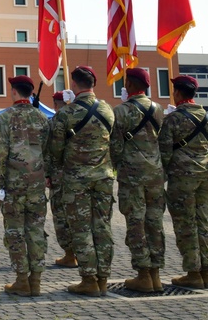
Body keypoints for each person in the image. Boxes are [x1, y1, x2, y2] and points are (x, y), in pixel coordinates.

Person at [47, 65, 115, 297]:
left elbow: (55, 150)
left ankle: (88, 279)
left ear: (74, 85)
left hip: (77, 180)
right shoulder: (108, 110)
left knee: (81, 229)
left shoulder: (66, 113)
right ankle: (103, 278)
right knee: (103, 227)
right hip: (104, 177)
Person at [110, 67, 166, 293]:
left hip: (132, 175)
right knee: (155, 223)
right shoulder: (158, 109)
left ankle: (143, 274)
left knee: (136, 223)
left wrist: (118, 166)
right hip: (155, 173)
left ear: (130, 85)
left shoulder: (121, 111)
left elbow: (114, 146)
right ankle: (156, 274)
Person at [0, 75, 49, 296]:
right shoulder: (42, 118)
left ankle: (22, 280)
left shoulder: (5, 118)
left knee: (15, 232)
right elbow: (48, 151)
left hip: (14, 186)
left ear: (14, 91)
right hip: (36, 185)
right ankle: (36, 281)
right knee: (36, 231)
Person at [159, 75, 208, 289]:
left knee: (185, 224)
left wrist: (162, 176)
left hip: (183, 177)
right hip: (206, 175)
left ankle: (193, 272)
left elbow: (164, 151)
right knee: (202, 222)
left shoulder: (173, 119)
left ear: (178, 93)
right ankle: (206, 271)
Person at [46, 91, 76, 268]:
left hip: (60, 176)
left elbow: (51, 151)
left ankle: (70, 254)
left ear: (56, 105)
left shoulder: (56, 121)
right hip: (80, 175)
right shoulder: (83, 117)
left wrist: (48, 174)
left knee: (61, 215)